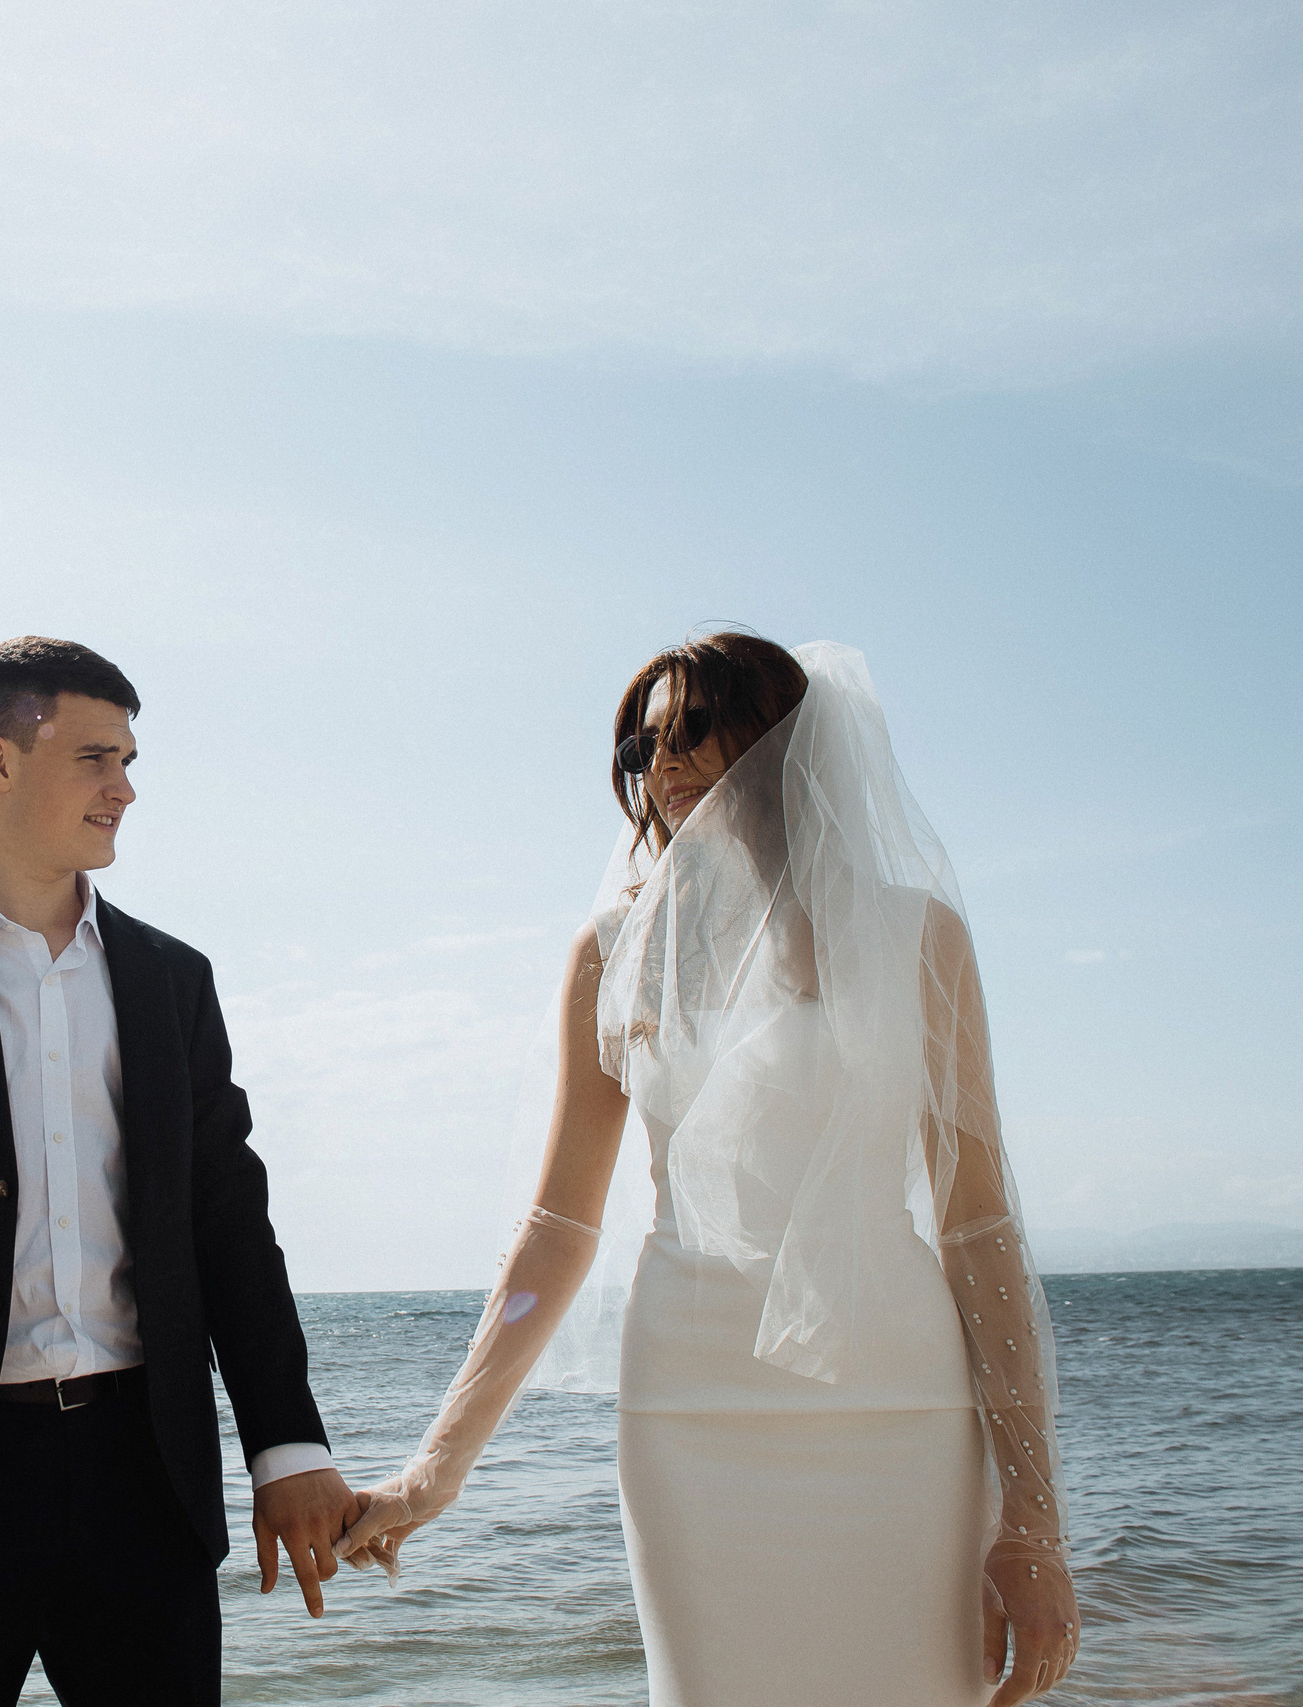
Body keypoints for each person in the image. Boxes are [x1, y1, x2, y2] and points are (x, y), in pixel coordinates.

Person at [339, 634, 1082, 1707]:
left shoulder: (918, 936)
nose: (663, 763)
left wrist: (1034, 1525)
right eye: (643, 742)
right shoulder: (610, 950)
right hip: (689, 1411)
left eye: (692, 730)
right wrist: (436, 1466)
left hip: (899, 1408)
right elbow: (557, 1225)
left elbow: (978, 1228)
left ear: (779, 740)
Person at [0, 636, 360, 1705]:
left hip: (145, 1478)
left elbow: (229, 1222)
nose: (124, 788)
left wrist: (286, 1446)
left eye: (129, 760)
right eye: (95, 757)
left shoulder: (174, 981)